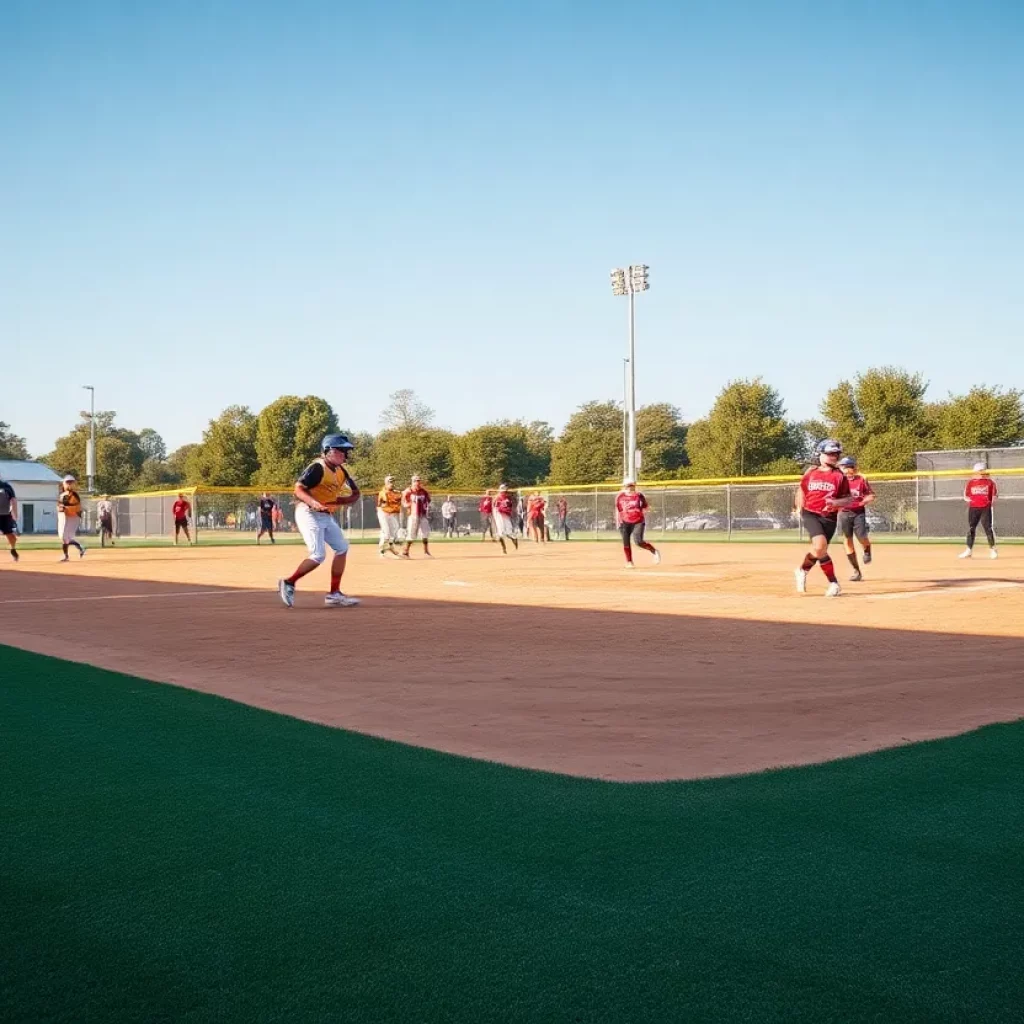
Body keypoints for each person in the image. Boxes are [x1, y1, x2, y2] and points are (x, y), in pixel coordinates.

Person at [278, 434, 361, 608]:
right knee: (318, 555)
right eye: (342, 451)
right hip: (307, 512)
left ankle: (334, 594)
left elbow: (355, 493)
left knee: (342, 548)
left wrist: (339, 501)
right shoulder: (317, 467)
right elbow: (299, 490)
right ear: (329, 451)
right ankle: (289, 582)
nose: (345, 455)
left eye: (346, 451)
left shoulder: (341, 471)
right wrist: (314, 502)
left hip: (325, 514)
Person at [794, 439, 852, 597]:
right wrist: (799, 507)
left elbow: (848, 499)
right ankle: (834, 583)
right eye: (830, 454)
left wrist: (836, 502)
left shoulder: (839, 476)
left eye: (836, 454)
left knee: (818, 550)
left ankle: (802, 570)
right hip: (811, 513)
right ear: (820, 454)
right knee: (820, 545)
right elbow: (801, 490)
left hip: (829, 517)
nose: (834, 457)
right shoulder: (811, 472)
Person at [836, 456, 875, 581]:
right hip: (843, 513)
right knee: (847, 541)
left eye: (847, 467)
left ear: (853, 468)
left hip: (858, 513)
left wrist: (862, 502)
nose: (845, 470)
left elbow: (871, 495)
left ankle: (867, 550)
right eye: (843, 467)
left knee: (862, 538)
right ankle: (856, 571)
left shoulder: (861, 479)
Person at [615, 478, 660, 568]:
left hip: (638, 521)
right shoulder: (620, 496)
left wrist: (642, 514)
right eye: (627, 485)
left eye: (631, 485)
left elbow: (645, 507)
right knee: (626, 542)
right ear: (624, 486)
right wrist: (617, 521)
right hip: (624, 521)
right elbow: (618, 510)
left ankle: (653, 550)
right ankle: (629, 562)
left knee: (638, 541)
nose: (629, 487)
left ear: (634, 486)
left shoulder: (639, 496)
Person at [960, 462, 998, 559]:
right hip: (973, 508)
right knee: (971, 528)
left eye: (981, 471)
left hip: (985, 507)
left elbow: (994, 495)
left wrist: (989, 503)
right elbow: (966, 495)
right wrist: (972, 501)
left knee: (988, 528)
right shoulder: (971, 482)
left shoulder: (990, 482)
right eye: (977, 471)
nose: (979, 473)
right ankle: (969, 550)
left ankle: (993, 549)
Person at [401, 475, 432, 558]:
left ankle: (426, 552)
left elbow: (428, 500)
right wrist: (409, 505)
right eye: (415, 481)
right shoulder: (408, 491)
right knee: (411, 534)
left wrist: (426, 507)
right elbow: (403, 502)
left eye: (418, 481)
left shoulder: (423, 491)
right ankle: (405, 552)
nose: (417, 483)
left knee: (425, 533)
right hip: (413, 515)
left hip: (423, 515)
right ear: (412, 482)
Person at [57, 475, 86, 561]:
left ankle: (66, 556)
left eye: (71, 482)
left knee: (64, 537)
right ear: (64, 484)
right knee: (66, 538)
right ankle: (80, 549)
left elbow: (71, 507)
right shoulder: (65, 495)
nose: (69, 484)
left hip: (71, 517)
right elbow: (60, 506)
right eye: (67, 482)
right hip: (67, 517)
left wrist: (63, 507)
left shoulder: (72, 495)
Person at [376, 475, 403, 558]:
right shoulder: (383, 492)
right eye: (389, 482)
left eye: (392, 481)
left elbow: (400, 500)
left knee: (394, 532)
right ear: (385, 483)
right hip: (383, 513)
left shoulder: (396, 492)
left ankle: (390, 547)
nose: (391, 483)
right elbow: (379, 505)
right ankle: (382, 551)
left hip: (391, 514)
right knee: (386, 533)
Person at [493, 483, 519, 553]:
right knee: (501, 532)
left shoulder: (509, 497)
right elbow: (496, 507)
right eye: (503, 490)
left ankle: (514, 540)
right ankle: (504, 548)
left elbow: (512, 505)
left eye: (505, 490)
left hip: (506, 515)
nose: (505, 491)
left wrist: (508, 510)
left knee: (509, 532)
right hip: (499, 514)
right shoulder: (498, 497)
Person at [0, 474, 19, 561]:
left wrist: (15, 514)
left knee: (10, 535)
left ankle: (13, 549)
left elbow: (13, 500)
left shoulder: (6, 486)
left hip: (5, 515)